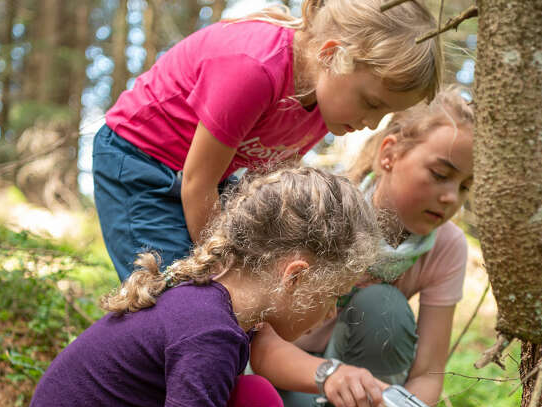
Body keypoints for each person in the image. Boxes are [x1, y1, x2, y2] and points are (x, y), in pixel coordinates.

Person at [13, 168, 383, 407]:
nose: (331, 312)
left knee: (258, 396)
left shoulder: (211, 304)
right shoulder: (209, 334)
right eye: (334, 295)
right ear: (295, 277)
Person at [93, 0, 442, 281]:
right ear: (332, 55)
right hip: (138, 161)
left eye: (384, 115)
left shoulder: (327, 105)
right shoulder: (255, 69)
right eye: (371, 103)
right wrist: (220, 271)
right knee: (174, 290)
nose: (370, 124)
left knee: (247, 283)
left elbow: (265, 190)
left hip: (205, 178)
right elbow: (198, 183)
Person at [252, 89, 474, 407]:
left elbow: (428, 373)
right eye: (439, 174)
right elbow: (259, 334)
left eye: (465, 186)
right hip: (277, 373)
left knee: (382, 305)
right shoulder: (325, 205)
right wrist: (327, 376)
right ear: (389, 154)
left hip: (361, 386)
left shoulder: (447, 246)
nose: (452, 197)